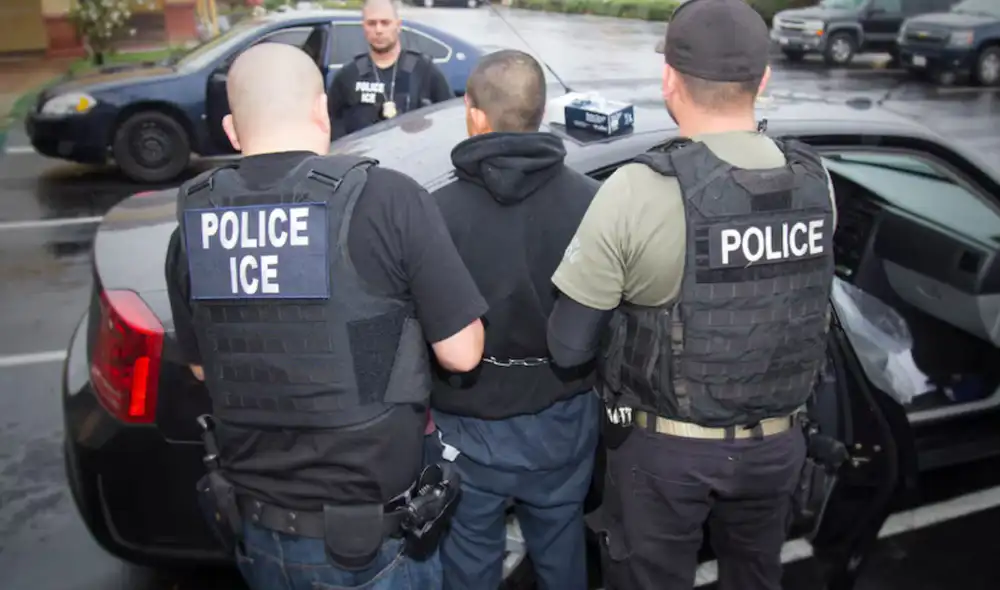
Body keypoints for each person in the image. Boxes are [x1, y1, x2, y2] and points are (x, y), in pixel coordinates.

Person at [164, 42, 488, 590]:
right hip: (369, 544)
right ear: (322, 110)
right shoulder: (386, 199)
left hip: (259, 531)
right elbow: (462, 351)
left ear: (231, 129)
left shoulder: (195, 226)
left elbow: (204, 370)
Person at [546, 1, 839, 589]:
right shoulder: (816, 181)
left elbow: (569, 345)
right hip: (778, 444)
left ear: (669, 80)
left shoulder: (639, 188)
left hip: (666, 457)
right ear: (763, 81)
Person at [426, 49, 602, 590]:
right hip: (564, 420)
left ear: (474, 113)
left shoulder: (435, 214)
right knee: (561, 545)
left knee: (469, 559)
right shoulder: (596, 203)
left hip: (468, 429)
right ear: (540, 112)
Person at [328, 0, 454, 138]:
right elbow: (333, 126)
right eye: (372, 23)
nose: (378, 30)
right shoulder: (348, 76)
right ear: (364, 27)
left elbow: (448, 118)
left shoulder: (424, 70)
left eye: (385, 23)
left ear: (398, 26)